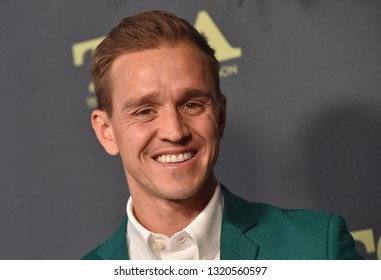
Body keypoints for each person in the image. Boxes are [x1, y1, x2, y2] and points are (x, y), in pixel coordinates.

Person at [83, 10, 362, 260]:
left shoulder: (317, 249)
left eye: (192, 104)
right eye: (144, 111)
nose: (174, 131)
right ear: (106, 132)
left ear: (220, 116)